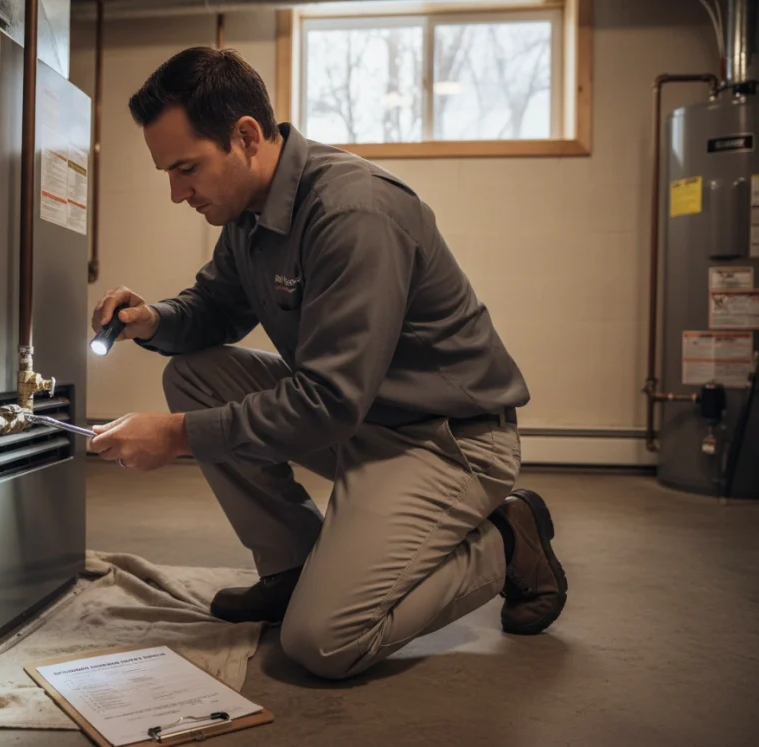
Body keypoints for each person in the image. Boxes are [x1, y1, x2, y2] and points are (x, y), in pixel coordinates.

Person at [88, 46, 567, 681]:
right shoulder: (247, 214)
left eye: (186, 169)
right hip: (364, 424)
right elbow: (216, 307)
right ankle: (293, 568)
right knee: (192, 374)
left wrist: (176, 437)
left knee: (322, 642)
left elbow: (328, 401)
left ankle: (503, 542)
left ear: (247, 136)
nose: (178, 193)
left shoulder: (353, 212)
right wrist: (155, 319)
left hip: (446, 440)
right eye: (167, 174)